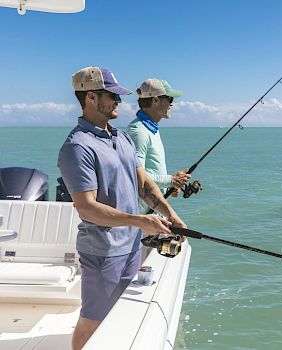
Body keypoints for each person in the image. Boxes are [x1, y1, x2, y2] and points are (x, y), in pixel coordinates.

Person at [57, 67, 186, 350]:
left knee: (116, 317)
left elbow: (145, 186)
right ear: (91, 97)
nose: (119, 102)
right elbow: (87, 208)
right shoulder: (78, 147)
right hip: (103, 251)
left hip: (130, 246)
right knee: (93, 320)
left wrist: (171, 215)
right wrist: (140, 221)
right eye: (112, 96)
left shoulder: (122, 138)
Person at [127, 77, 191, 213]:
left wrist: (168, 187)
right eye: (170, 99)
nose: (171, 105)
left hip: (153, 213)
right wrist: (171, 180)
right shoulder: (139, 132)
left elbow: (150, 172)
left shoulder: (151, 129)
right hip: (143, 217)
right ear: (155, 100)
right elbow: (137, 176)